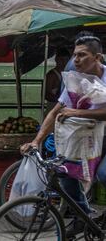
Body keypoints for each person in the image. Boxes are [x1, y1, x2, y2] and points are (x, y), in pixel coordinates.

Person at [21, 31, 106, 238]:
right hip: (87, 140)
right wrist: (36, 141)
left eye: (82, 55)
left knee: (104, 174)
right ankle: (82, 217)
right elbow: (55, 111)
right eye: (75, 55)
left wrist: (77, 112)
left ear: (98, 58)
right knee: (64, 173)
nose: (76, 60)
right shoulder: (74, 79)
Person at [45, 48, 70, 114]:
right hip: (53, 108)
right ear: (56, 60)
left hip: (65, 109)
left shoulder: (70, 74)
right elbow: (46, 94)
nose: (64, 63)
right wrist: (61, 100)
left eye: (66, 60)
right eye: (61, 60)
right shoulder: (51, 75)